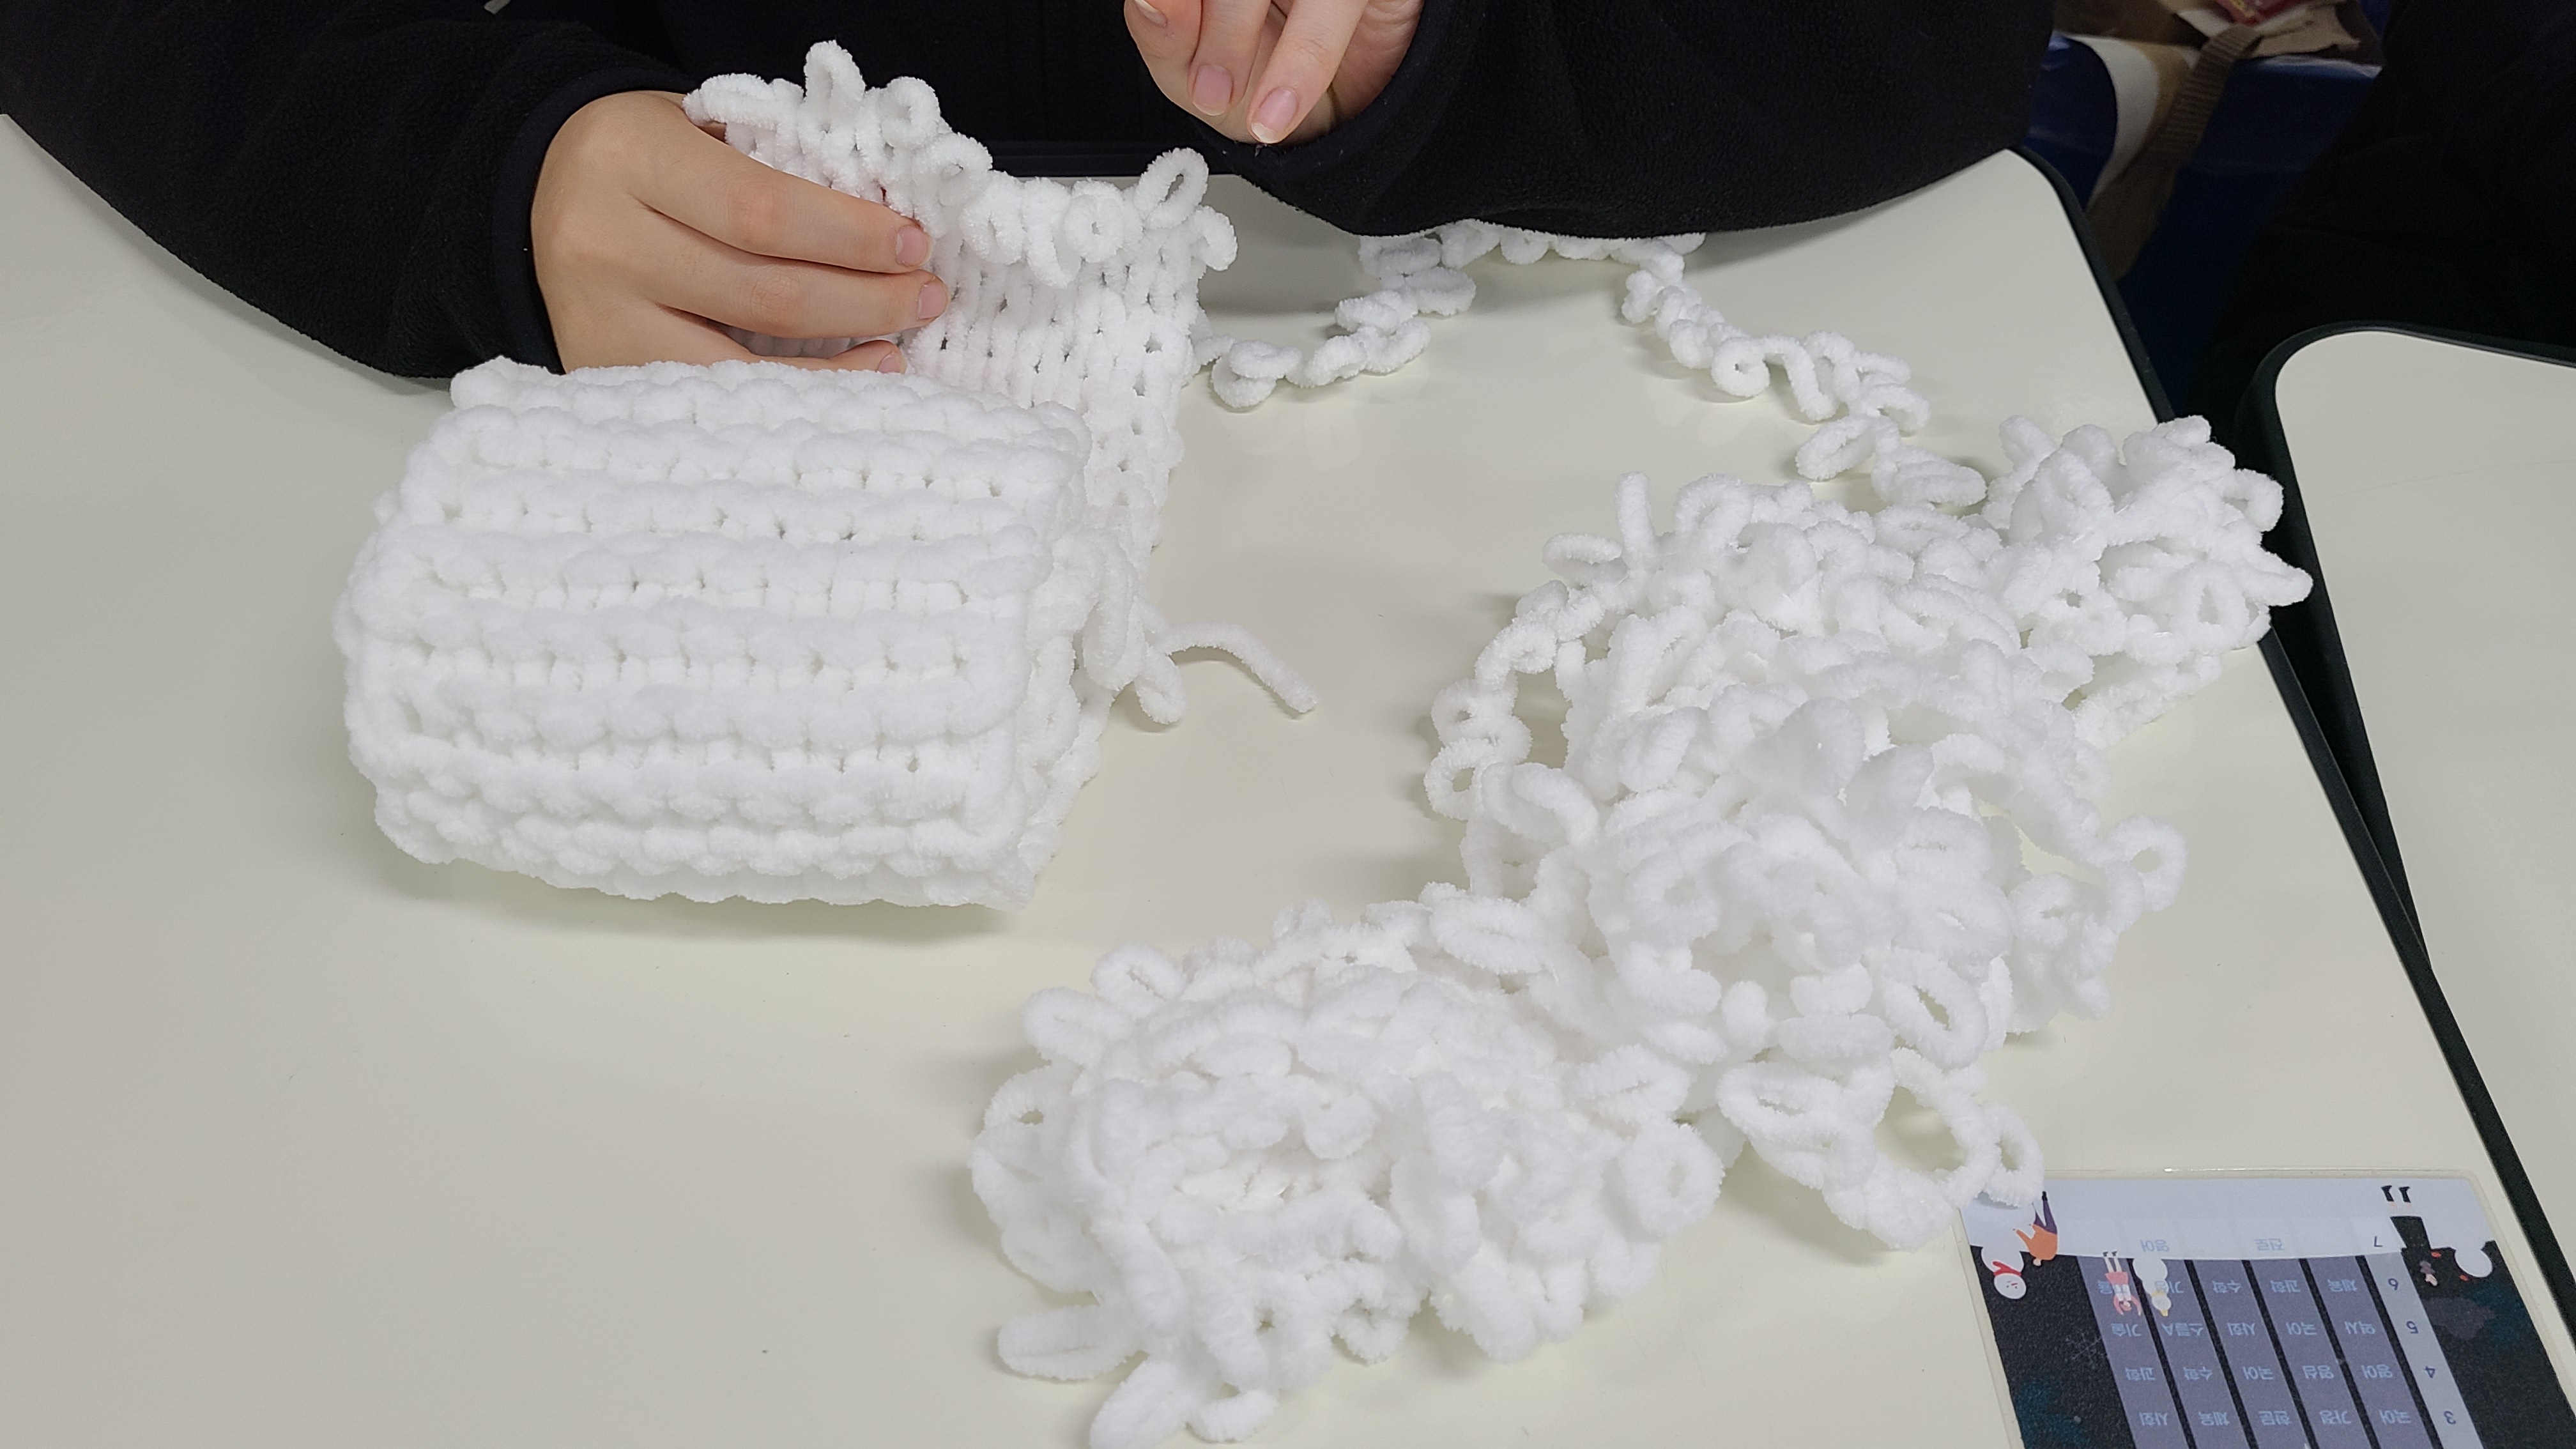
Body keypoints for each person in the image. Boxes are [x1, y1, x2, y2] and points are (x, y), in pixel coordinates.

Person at [1, 1, 2052, 380]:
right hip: (631, 404)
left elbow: (1926, 44)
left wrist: (1447, 44)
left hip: (1439, 382)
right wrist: (470, 170)